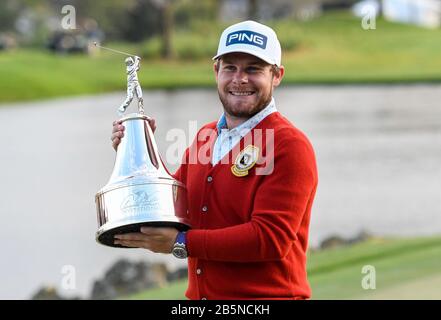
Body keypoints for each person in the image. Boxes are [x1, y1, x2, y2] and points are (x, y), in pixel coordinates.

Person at [111, 20, 318, 300]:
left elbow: (268, 239)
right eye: (230, 67)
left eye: (253, 69)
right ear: (216, 71)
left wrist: (181, 242)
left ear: (277, 75)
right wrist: (138, 151)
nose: (240, 79)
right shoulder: (205, 136)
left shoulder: (289, 145)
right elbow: (177, 204)